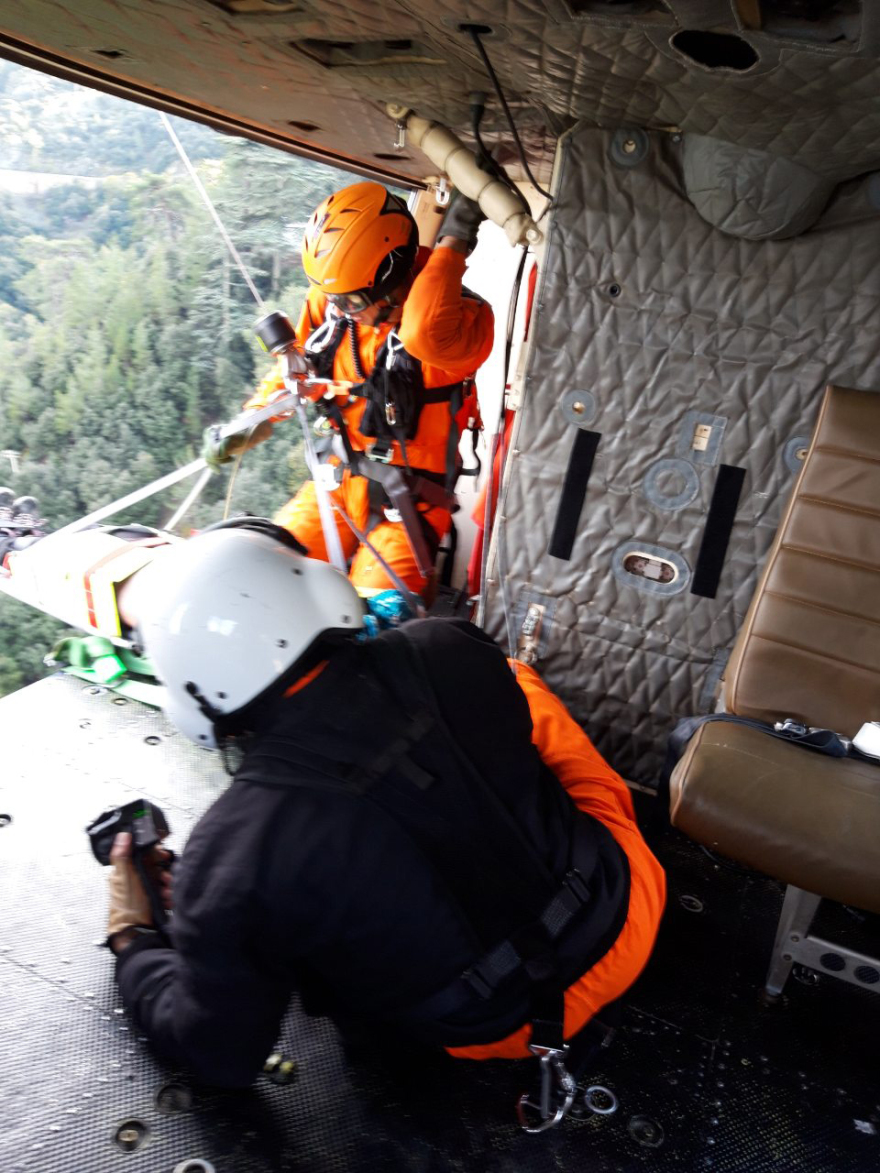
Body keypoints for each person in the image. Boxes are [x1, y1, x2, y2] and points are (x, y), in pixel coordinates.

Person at [104, 520, 666, 1086]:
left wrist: (135, 941)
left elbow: (220, 1055)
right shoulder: (449, 645)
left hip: (492, 1029)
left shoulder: (234, 858)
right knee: (519, 683)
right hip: (626, 913)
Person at [202, 181, 494, 598]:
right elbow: (294, 368)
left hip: (408, 507)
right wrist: (252, 422)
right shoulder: (337, 301)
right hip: (337, 484)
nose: (338, 309)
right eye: (332, 296)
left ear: (391, 281)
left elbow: (424, 332)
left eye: (351, 301)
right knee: (265, 578)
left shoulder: (458, 322)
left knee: (369, 620)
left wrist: (456, 236)